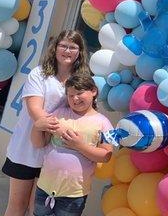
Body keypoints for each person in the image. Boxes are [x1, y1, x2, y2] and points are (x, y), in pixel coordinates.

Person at [3, 30, 90, 216]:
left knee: (39, 209)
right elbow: (36, 113)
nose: (67, 51)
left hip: (55, 153)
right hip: (26, 149)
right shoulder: (39, 73)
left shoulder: (79, 80)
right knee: (17, 205)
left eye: (73, 47)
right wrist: (65, 131)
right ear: (55, 48)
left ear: (79, 52)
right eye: (63, 45)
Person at [31, 73, 113, 216]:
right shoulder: (58, 113)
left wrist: (79, 146)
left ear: (93, 91)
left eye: (80, 93)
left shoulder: (104, 123)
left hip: (74, 194)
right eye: (70, 95)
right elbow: (39, 143)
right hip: (44, 187)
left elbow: (106, 156)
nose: (75, 99)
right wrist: (37, 127)